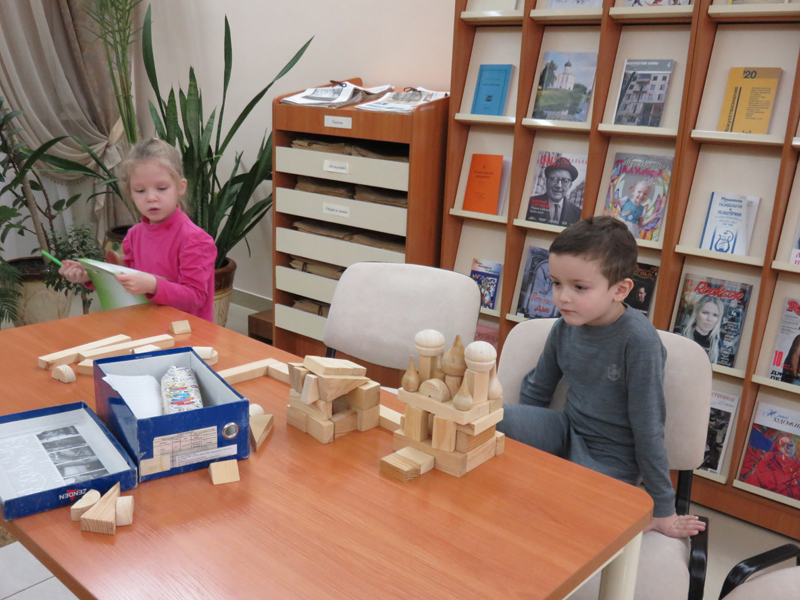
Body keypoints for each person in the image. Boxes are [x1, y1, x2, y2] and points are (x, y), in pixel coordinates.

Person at [498, 216, 705, 539]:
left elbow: (648, 427)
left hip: (612, 457)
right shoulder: (564, 326)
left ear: (620, 290)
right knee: (491, 419)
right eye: (556, 283)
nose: (562, 297)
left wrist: (663, 509)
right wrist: (528, 452)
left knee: (566, 516)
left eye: (579, 287)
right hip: (566, 431)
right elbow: (537, 388)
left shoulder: (639, 341)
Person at [59, 139, 217, 321]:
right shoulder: (134, 235)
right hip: (146, 326)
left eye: (162, 188)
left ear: (180, 187)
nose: (151, 198)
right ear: (130, 193)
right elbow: (127, 281)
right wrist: (89, 275)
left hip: (187, 331)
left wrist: (153, 286)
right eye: (140, 191)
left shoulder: (195, 239)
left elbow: (196, 298)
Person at [526, 157, 583, 226]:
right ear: (547, 182)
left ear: (570, 185)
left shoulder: (578, 213)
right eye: (554, 179)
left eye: (565, 181)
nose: (559, 185)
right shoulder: (528, 204)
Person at [680, 296, 723, 364]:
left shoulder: (718, 342)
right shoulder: (680, 334)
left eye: (715, 315)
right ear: (696, 313)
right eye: (705, 313)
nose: (709, 319)